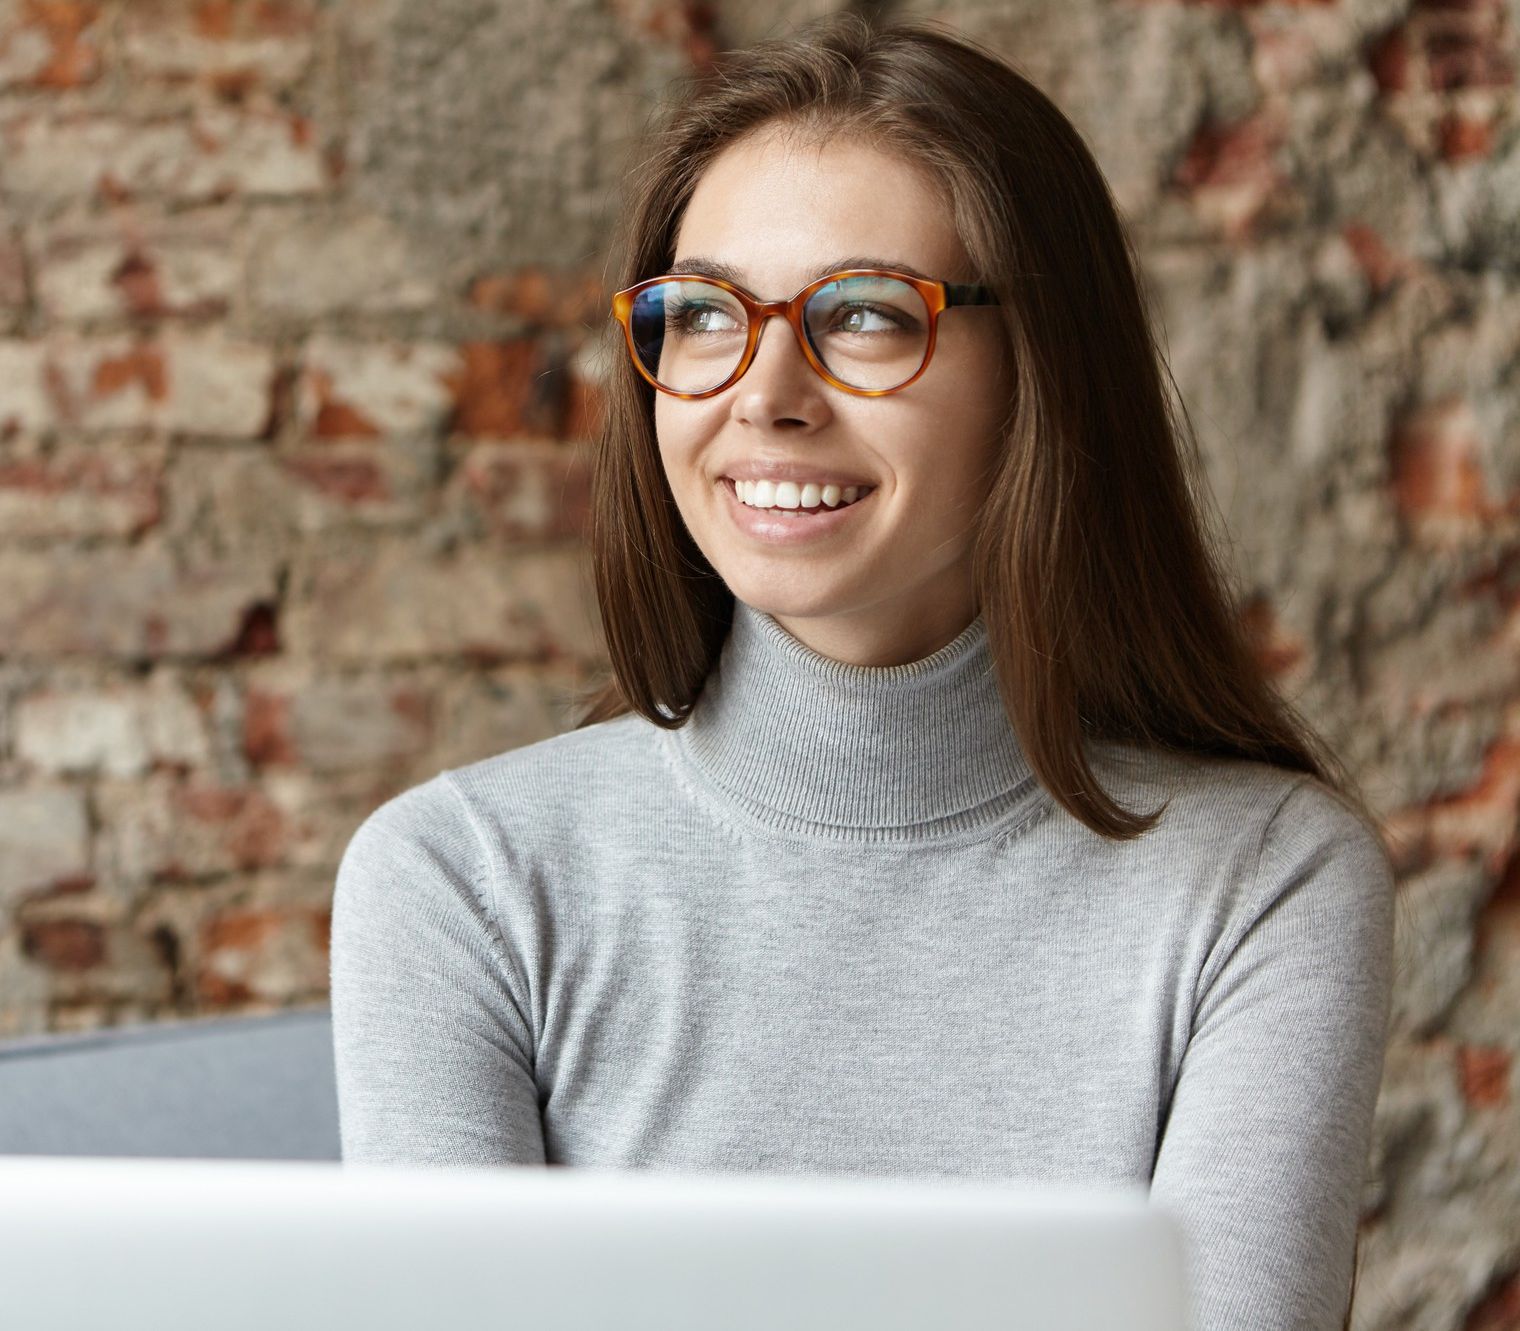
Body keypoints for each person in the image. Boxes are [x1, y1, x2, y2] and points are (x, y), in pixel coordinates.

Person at [329, 14, 1400, 1331]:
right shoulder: (461, 881)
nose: (765, 391)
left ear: (1042, 375)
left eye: (870, 316)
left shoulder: (1260, 884)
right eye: (705, 316)